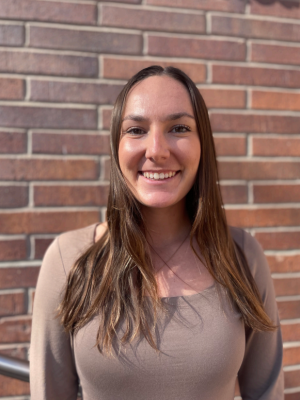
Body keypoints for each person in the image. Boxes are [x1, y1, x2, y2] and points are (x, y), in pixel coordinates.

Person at [30, 66, 284, 400]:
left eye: (179, 128)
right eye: (136, 130)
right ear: (116, 147)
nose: (157, 150)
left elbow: (267, 392)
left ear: (202, 144)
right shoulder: (69, 259)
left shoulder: (241, 256)